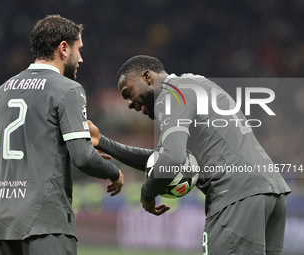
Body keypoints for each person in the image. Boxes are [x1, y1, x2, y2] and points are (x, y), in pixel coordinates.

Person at [88, 55, 291, 254]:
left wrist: (147, 194)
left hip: (236, 195)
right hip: (270, 191)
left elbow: (171, 160)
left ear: (147, 77)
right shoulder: (196, 83)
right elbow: (163, 159)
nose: (129, 104)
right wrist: (103, 143)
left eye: (127, 92)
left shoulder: (170, 95)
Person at [0, 15, 124, 255]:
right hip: (45, 222)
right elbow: (83, 158)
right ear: (63, 48)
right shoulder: (68, 89)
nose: (81, 58)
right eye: (78, 49)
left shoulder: (3, 91)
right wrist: (115, 173)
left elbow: (4, 149)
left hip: (2, 223)